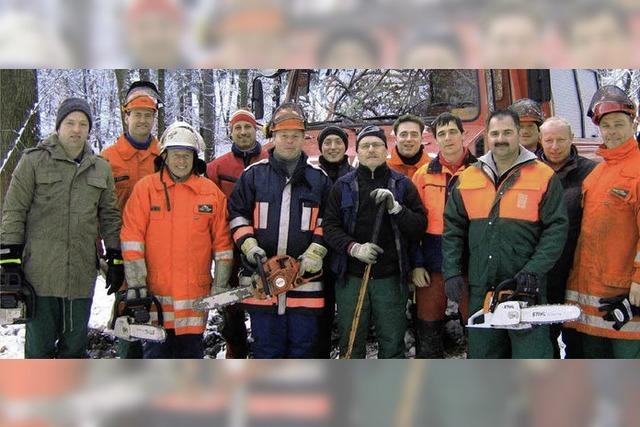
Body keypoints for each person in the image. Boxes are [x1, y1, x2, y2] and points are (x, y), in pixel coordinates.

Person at [0, 98, 122, 358]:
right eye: (70, 123)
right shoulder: (33, 162)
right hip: (40, 276)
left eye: (83, 124)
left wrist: (115, 255)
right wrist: (10, 258)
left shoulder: (100, 167)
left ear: (89, 129)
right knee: (39, 351)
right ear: (58, 126)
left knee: (74, 350)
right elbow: (14, 210)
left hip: (80, 277)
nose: (76, 129)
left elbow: (110, 215)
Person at [442, 109, 568, 359]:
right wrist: (452, 270)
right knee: (485, 356)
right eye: (495, 133)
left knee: (531, 356)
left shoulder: (543, 176)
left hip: (525, 284)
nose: (501, 138)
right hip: (482, 287)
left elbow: (556, 228)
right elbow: (453, 229)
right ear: (487, 136)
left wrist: (535, 269)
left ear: (519, 134)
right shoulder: (467, 178)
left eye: (507, 132)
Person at [227, 102, 332, 358]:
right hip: (262, 280)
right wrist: (250, 246)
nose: (289, 141)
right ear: (273, 136)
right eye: (284, 135)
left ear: (303, 138)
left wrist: (315, 252)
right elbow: (237, 215)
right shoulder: (253, 176)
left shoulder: (319, 179)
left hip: (304, 284)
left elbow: (329, 221)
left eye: (295, 136)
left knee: (303, 348)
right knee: (266, 348)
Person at [120, 121, 233, 358]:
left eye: (186, 156)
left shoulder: (210, 193)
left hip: (195, 299)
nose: (181, 161)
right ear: (165, 156)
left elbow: (223, 245)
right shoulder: (146, 190)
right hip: (154, 299)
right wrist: (137, 286)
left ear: (195, 159)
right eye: (176, 155)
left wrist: (220, 284)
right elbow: (132, 240)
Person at [323, 125, 426, 358]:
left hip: (390, 279)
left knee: (392, 344)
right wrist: (353, 248)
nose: (371, 149)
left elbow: (419, 226)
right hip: (351, 278)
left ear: (386, 150)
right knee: (351, 343)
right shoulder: (343, 186)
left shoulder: (402, 185)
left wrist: (397, 208)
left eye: (377, 145)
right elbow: (329, 227)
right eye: (365, 145)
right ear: (357, 151)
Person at [565, 85, 640, 358]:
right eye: (606, 125)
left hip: (626, 296)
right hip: (593, 296)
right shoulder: (597, 174)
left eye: (619, 124)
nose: (612, 131)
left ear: (633, 123)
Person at [101, 80, 161, 359]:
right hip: (123, 253)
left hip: (160, 251)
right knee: (128, 313)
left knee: (158, 314)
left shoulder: (165, 156)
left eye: (148, 115)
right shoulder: (107, 160)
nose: (142, 120)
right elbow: (98, 209)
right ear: (126, 116)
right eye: (137, 114)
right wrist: (105, 253)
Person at [411, 112, 476, 358]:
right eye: (441, 134)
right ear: (435, 140)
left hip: (470, 259)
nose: (448, 138)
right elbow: (413, 225)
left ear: (463, 135)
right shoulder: (423, 175)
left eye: (452, 132)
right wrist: (416, 263)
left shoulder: (480, 171)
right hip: (432, 259)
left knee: (475, 321)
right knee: (428, 321)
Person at [205, 108, 267, 359]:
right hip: (228, 246)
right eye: (237, 128)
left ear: (256, 130)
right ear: (230, 132)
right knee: (231, 305)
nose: (243, 132)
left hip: (264, 244)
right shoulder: (217, 167)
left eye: (247, 127)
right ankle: (235, 352)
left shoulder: (270, 159)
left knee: (264, 299)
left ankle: (264, 351)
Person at [538, 116, 596, 358]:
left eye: (560, 140)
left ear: (572, 139)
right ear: (540, 141)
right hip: (543, 270)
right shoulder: (529, 172)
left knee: (578, 338)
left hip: (577, 269)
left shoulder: (591, 172)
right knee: (544, 337)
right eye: (549, 140)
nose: (554, 146)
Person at [316, 125, 354, 358]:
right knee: (321, 315)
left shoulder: (355, 176)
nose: (333, 147)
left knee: (349, 316)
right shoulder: (311, 175)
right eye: (327, 142)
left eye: (338, 142)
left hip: (347, 255)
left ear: (345, 146)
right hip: (318, 257)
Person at [387, 114, 431, 179]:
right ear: (396, 138)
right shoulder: (384, 168)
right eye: (403, 135)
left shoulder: (433, 169)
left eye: (414, 135)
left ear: (421, 139)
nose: (409, 139)